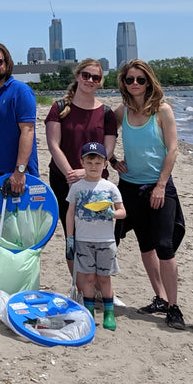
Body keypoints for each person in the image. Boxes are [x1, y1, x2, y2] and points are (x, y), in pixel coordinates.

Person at [113, 59, 187, 330]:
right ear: (124, 83)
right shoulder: (122, 111)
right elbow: (106, 133)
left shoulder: (162, 111)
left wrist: (160, 185)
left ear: (149, 82)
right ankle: (160, 297)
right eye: (130, 79)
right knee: (145, 245)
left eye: (140, 80)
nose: (135, 84)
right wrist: (111, 159)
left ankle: (173, 306)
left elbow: (173, 149)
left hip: (159, 187)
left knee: (165, 247)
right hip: (129, 187)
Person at [44, 58, 117, 276]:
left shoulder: (107, 113)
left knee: (97, 234)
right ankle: (79, 284)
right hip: (63, 180)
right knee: (72, 234)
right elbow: (53, 145)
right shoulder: (59, 108)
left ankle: (96, 285)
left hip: (97, 184)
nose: (90, 80)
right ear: (78, 76)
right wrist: (70, 174)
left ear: (100, 81)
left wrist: (86, 172)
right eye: (86, 75)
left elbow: (109, 149)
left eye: (95, 77)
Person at [65, 142, 125, 331]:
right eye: (89, 162)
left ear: (105, 164)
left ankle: (108, 313)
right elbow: (70, 212)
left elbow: (122, 211)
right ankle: (89, 311)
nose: (93, 166)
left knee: (104, 278)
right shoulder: (77, 187)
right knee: (88, 278)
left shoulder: (109, 187)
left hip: (106, 241)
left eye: (98, 163)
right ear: (82, 162)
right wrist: (69, 237)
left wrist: (111, 214)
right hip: (83, 239)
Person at [0, 42, 38, 198]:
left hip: (15, 174)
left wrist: (19, 171)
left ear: (7, 63)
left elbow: (28, 131)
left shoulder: (21, 91)